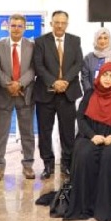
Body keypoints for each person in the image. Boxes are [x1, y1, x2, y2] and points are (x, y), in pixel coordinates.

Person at [63, 62, 111, 221]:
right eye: (105, 75)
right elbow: (81, 118)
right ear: (99, 76)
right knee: (84, 154)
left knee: (109, 156)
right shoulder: (90, 93)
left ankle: (103, 210)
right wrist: (92, 136)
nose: (107, 79)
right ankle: (83, 207)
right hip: (91, 134)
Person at [34, 10, 83, 179]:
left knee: (67, 131)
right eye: (57, 22)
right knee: (44, 131)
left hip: (67, 93)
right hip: (45, 93)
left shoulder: (75, 40)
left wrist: (65, 81)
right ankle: (47, 164)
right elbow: (38, 66)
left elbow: (78, 63)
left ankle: (66, 164)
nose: (60, 26)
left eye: (63, 23)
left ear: (67, 24)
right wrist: (54, 82)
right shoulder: (40, 41)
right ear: (51, 23)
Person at [0, 14, 36, 181]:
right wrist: (9, 84)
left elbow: (33, 68)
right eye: (13, 25)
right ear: (8, 27)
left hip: (25, 94)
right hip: (4, 94)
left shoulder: (32, 46)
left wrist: (20, 84)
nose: (16, 29)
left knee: (27, 133)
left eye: (19, 26)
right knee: (1, 133)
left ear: (24, 28)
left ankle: (28, 165)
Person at [81, 27, 111, 97]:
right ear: (96, 40)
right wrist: (90, 94)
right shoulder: (89, 57)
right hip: (93, 96)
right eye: (100, 38)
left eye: (105, 38)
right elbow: (85, 78)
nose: (102, 41)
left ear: (109, 40)